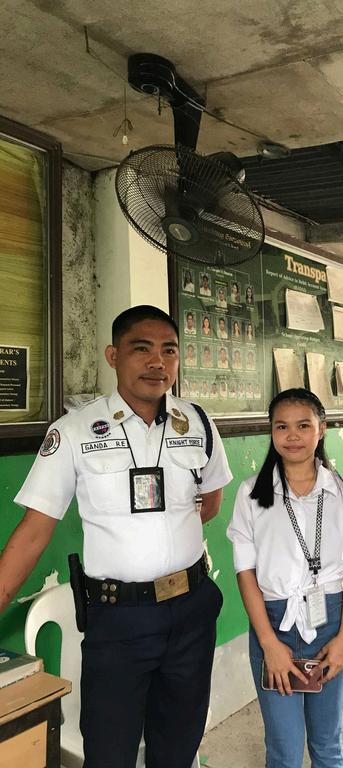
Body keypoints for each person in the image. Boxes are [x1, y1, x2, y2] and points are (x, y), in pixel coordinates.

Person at [1, 305, 233, 768]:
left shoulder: (197, 423)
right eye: (141, 349)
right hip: (119, 620)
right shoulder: (73, 432)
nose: (157, 362)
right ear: (113, 356)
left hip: (191, 611)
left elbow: (209, 503)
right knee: (109, 752)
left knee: (179, 748)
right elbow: (33, 533)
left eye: (169, 351)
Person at [227, 388, 343, 768]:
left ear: (321, 429)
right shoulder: (251, 494)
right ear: (271, 432)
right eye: (282, 427)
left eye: (304, 426)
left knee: (327, 742)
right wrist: (268, 643)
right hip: (274, 625)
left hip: (331, 624)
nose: (292, 435)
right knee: (284, 748)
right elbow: (245, 572)